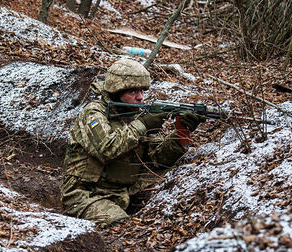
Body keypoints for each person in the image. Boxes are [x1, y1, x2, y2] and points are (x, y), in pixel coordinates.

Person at [61, 58, 202, 227]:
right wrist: (143, 125)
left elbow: (158, 157)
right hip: (86, 194)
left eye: (142, 91)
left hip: (124, 192)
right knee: (120, 225)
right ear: (116, 91)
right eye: (133, 92)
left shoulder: (134, 115)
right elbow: (107, 149)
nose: (141, 97)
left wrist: (181, 132)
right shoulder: (93, 113)